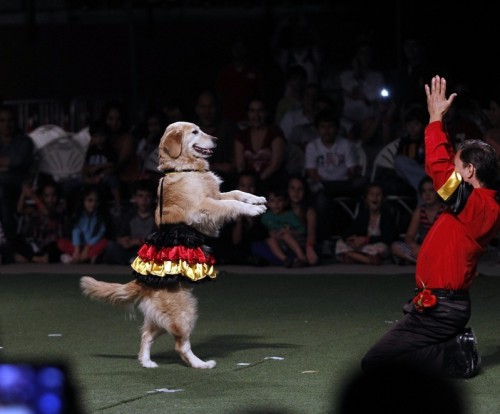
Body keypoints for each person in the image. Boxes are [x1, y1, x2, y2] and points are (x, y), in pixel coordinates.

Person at [361, 75, 500, 379]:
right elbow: (445, 166)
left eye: (458, 165)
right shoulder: (475, 202)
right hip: (437, 304)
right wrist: (442, 124)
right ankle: (454, 346)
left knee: (375, 364)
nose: (453, 167)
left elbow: (438, 170)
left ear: (470, 171)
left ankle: (455, 354)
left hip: (442, 309)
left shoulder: (482, 207)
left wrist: (435, 119)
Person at [334, 182, 397, 265]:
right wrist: (351, 239)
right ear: (366, 199)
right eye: (371, 194)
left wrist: (366, 239)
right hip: (363, 247)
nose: (375, 197)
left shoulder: (386, 215)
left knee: (382, 248)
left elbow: (389, 237)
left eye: (378, 194)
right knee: (340, 243)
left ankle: (354, 257)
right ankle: (365, 259)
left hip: (376, 244)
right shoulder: (363, 215)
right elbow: (350, 229)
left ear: (383, 198)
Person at [234, 96, 288, 193]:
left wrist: (257, 183)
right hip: (248, 184)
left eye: (260, 111)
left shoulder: (275, 133)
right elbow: (240, 165)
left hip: (271, 182)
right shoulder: (242, 135)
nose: (256, 115)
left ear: (266, 113)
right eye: (252, 111)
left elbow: (275, 165)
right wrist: (247, 185)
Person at [391, 175, 445, 265]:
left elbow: (449, 239)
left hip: (441, 248)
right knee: (395, 246)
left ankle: (427, 262)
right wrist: (414, 246)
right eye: (424, 191)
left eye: (431, 190)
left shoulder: (445, 211)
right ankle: (425, 262)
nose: (427, 194)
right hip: (424, 249)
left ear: (437, 192)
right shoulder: (420, 211)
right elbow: (409, 236)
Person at [0, 104, 34, 240]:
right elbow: (10, 163)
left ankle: (9, 239)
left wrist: (7, 166)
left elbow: (17, 162)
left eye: (10, 120)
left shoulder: (24, 141)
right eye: (2, 121)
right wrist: (6, 164)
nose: (6, 124)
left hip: (17, 183)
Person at [12, 179, 68, 264]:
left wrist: (33, 196)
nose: (50, 199)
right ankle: (36, 258)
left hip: (51, 244)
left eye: (53, 196)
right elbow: (20, 210)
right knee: (15, 242)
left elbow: (48, 213)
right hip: (37, 244)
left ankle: (31, 258)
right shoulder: (36, 208)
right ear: (42, 196)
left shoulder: (61, 207)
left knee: (57, 246)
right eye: (47, 196)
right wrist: (24, 192)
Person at [102, 180, 156, 265]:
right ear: (135, 198)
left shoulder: (157, 217)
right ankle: (133, 260)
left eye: (147, 196)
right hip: (132, 250)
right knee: (111, 247)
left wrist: (140, 241)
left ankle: (136, 260)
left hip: (148, 249)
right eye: (140, 196)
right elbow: (120, 235)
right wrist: (122, 241)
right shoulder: (129, 215)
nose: (144, 200)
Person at [58, 184, 111, 264]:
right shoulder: (78, 215)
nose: (93, 204)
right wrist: (77, 249)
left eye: (96, 201)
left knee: (105, 242)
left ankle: (77, 259)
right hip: (78, 246)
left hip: (92, 246)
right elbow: (76, 231)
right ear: (83, 201)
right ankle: (80, 257)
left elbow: (99, 235)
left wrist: (87, 247)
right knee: (61, 242)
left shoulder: (101, 217)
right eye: (90, 200)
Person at [260, 186, 308, 268]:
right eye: (272, 201)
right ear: (268, 203)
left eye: (280, 200)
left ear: (285, 202)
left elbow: (303, 230)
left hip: (291, 241)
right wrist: (271, 234)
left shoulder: (289, 215)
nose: (276, 204)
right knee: (270, 240)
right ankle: (285, 259)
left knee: (286, 235)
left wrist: (290, 232)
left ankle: (301, 257)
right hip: (276, 242)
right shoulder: (266, 217)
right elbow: (262, 231)